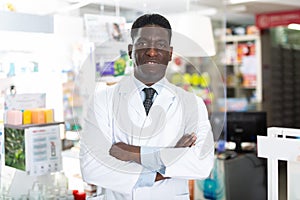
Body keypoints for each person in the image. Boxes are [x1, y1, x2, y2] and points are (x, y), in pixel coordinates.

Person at [80, 13, 214, 200]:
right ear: (130, 51)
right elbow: (92, 168)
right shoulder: (102, 101)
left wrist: (134, 153)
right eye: (142, 44)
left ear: (170, 53)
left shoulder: (192, 104)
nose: (152, 52)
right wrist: (171, 159)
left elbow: (202, 164)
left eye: (160, 45)